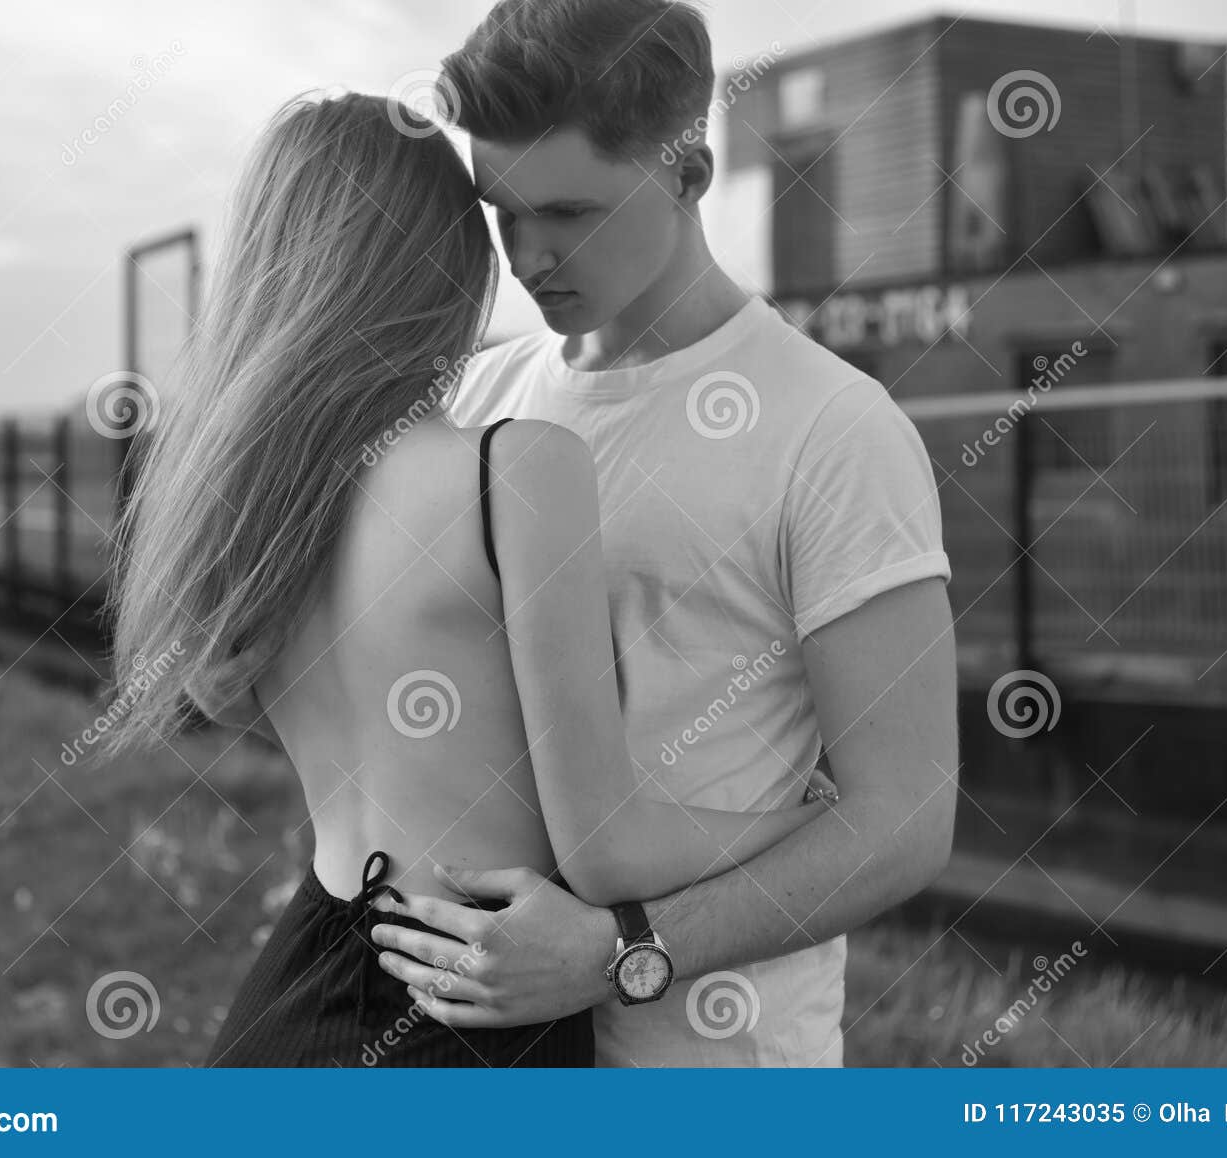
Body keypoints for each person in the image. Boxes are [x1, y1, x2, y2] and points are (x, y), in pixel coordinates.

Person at [99, 88, 830, 1067]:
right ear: (446, 261)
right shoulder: (515, 468)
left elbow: (226, 699)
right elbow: (605, 850)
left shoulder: (254, 496)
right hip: (467, 1020)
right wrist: (794, 817)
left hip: (291, 998)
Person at [366, 0, 959, 1066]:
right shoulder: (476, 401)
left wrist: (619, 954)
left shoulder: (831, 428)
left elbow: (906, 821)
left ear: (688, 174)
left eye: (569, 211)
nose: (528, 256)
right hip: (480, 1064)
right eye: (502, 213)